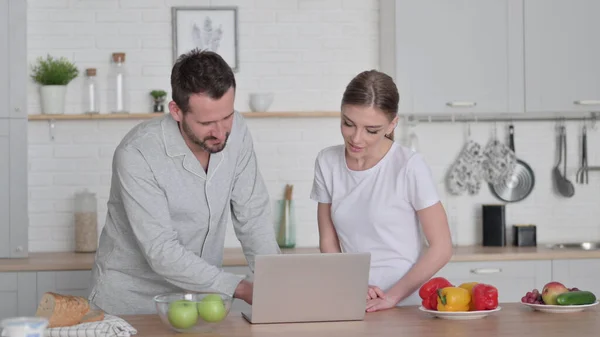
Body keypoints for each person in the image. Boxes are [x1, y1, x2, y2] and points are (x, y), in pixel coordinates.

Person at [88, 49, 281, 315]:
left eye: (227, 117)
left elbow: (252, 214)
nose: (221, 132)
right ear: (176, 111)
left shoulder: (237, 132)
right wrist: (241, 288)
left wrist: (275, 281)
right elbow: (161, 250)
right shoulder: (137, 153)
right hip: (130, 303)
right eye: (207, 122)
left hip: (198, 301)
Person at [310, 70, 453, 313]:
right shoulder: (327, 161)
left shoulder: (409, 166)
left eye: (371, 130)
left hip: (405, 305)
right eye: (348, 123)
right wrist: (352, 284)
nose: (356, 138)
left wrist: (392, 297)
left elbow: (442, 247)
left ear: (392, 124)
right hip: (352, 298)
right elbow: (328, 240)